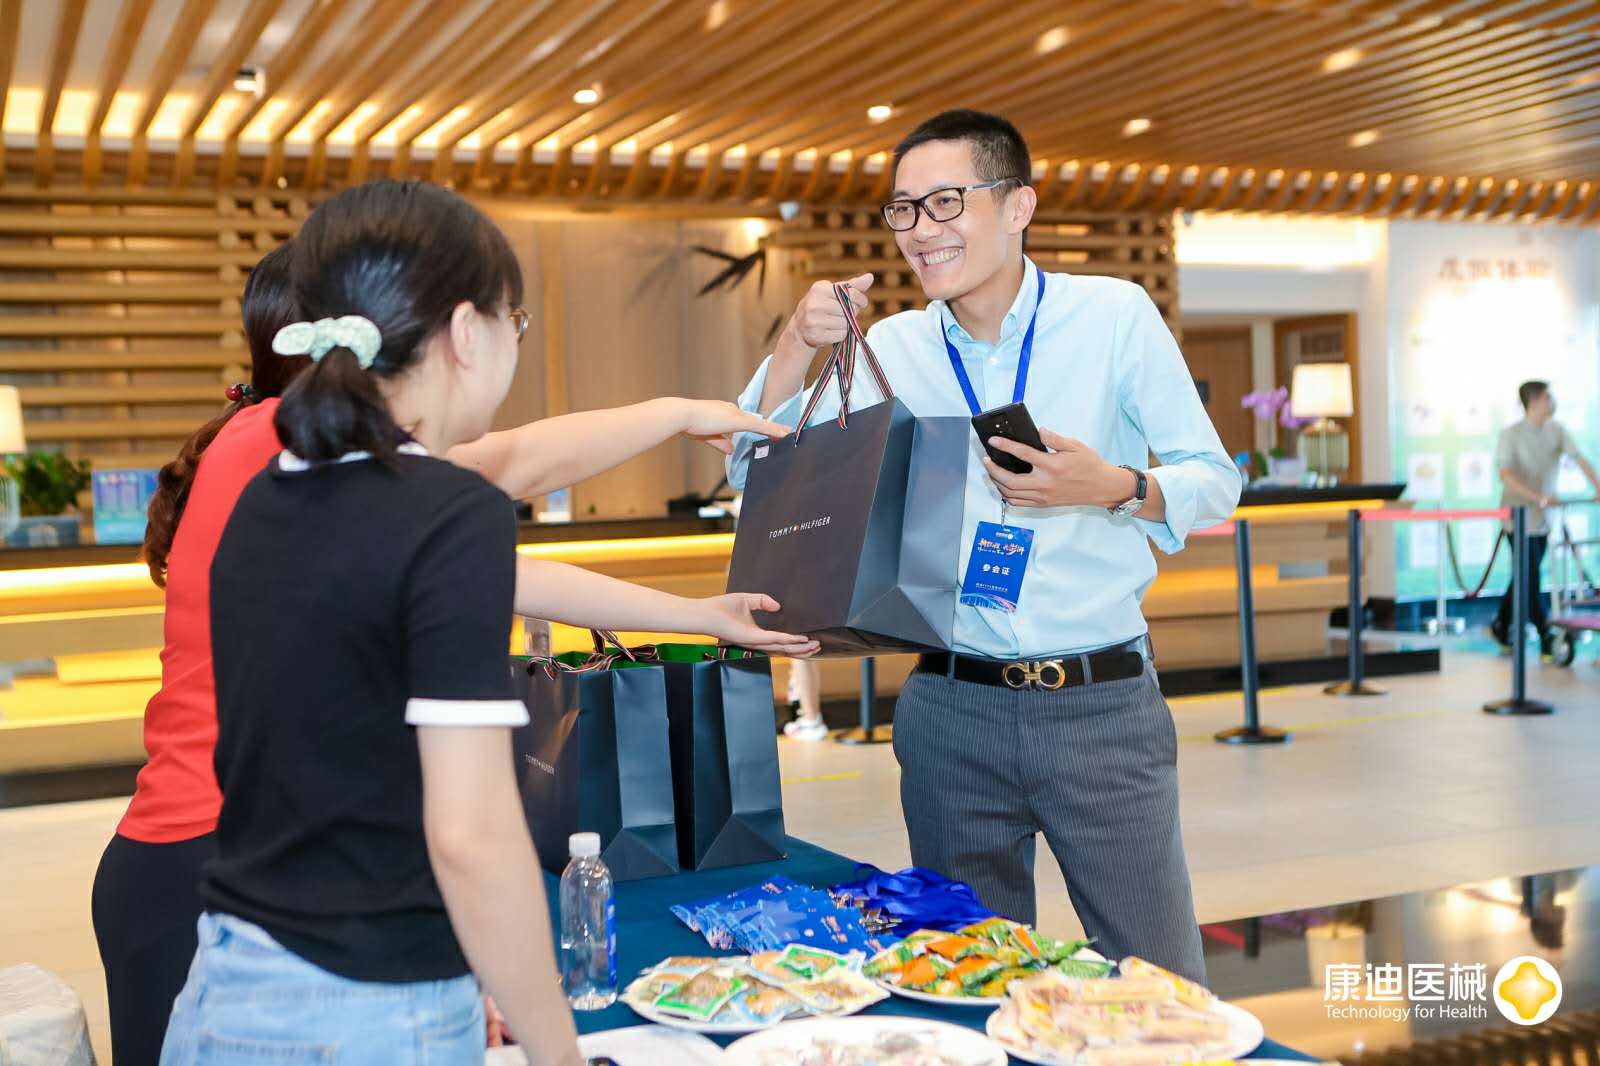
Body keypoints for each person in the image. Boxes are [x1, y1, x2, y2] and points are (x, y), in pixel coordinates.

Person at [97, 221, 810, 1066]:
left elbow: (504, 514)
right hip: (243, 882)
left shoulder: (285, 464)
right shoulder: (297, 455)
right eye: (516, 322)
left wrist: (694, 590)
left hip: (232, 889)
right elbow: (471, 830)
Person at [726, 110, 1240, 982]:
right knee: (971, 983)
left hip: (1101, 709)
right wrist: (791, 346)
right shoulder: (894, 347)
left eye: (946, 202)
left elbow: (1214, 478)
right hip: (950, 711)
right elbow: (752, 466)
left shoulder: (1113, 316)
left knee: (1161, 982)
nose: (921, 230)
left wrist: (1113, 485)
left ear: (1018, 206)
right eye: (904, 209)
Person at [1491, 379, 1600, 655]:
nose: (1552, 402)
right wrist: (1536, 496)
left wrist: (1597, 486)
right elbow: (1505, 475)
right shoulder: (1511, 435)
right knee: (1529, 575)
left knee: (1524, 574)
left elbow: (1579, 458)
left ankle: (1501, 623)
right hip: (1517, 516)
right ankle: (1545, 633)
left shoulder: (1556, 430)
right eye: (1547, 398)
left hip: (1543, 518)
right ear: (1534, 401)